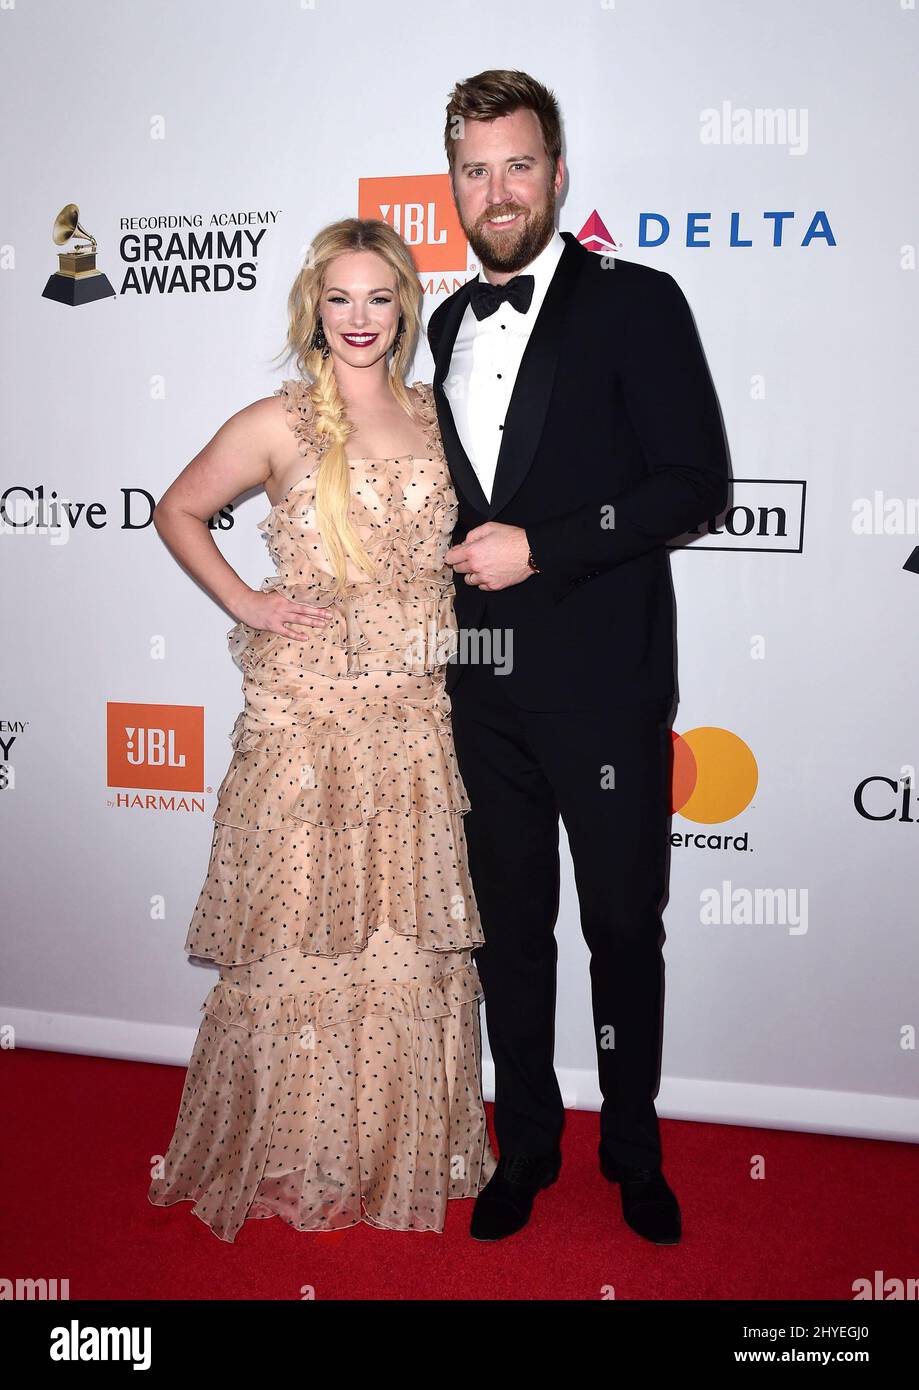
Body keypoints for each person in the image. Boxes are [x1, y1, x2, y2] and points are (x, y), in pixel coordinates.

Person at [147, 217, 496, 1242]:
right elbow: (177, 510)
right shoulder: (279, 421)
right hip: (305, 723)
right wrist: (247, 602)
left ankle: (395, 1149)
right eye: (338, 299)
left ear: (403, 307)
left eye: (378, 298)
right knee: (299, 940)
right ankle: (294, 1150)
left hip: (412, 719)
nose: (358, 318)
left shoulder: (443, 418)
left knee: (399, 946)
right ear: (314, 308)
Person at [428, 70, 730, 1244]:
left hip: (604, 688)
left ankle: (633, 1147)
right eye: (473, 168)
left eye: (517, 165)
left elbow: (694, 485)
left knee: (621, 928)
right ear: (450, 182)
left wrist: (542, 549)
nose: (495, 190)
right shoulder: (444, 322)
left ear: (557, 175)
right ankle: (530, 1143)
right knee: (508, 929)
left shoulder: (636, 299)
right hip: (480, 691)